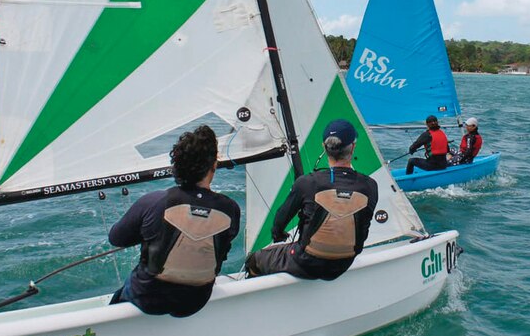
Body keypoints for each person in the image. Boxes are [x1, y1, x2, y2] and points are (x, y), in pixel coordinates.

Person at [108, 125, 240, 317]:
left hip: (148, 298)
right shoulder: (230, 209)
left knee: (119, 297)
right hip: (195, 300)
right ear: (213, 166)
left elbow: (116, 238)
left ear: (177, 166)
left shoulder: (153, 202)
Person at [245, 119, 377, 281]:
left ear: (324, 147)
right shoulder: (370, 186)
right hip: (345, 263)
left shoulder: (307, 183)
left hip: (306, 263)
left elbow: (280, 221)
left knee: (254, 260)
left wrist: (278, 234)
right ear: (353, 147)